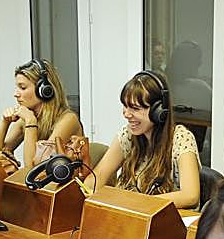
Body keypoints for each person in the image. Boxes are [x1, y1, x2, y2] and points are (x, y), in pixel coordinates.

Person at [85, 70, 200, 208]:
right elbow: (97, 177)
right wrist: (87, 191)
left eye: (135, 108)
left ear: (158, 111)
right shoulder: (128, 135)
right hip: (133, 215)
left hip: (163, 218)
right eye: (125, 106)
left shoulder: (181, 138)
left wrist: (137, 204)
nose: (126, 114)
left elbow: (191, 196)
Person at [0, 58, 84, 171]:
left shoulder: (68, 120)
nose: (16, 94)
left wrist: (31, 122)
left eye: (23, 88)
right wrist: (5, 122)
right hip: (43, 182)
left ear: (44, 90)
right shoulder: (27, 116)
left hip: (69, 182)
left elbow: (34, 169)